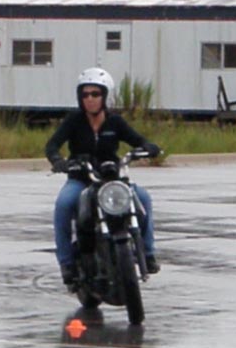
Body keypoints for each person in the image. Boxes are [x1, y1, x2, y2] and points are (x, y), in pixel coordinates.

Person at [44, 67, 162, 288]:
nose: (90, 99)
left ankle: (148, 253)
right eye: (85, 94)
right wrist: (58, 160)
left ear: (105, 96)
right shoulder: (73, 121)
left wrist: (149, 147)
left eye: (95, 94)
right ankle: (67, 263)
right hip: (81, 180)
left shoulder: (115, 122)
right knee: (63, 205)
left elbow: (138, 140)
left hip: (111, 180)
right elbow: (52, 145)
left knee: (143, 199)